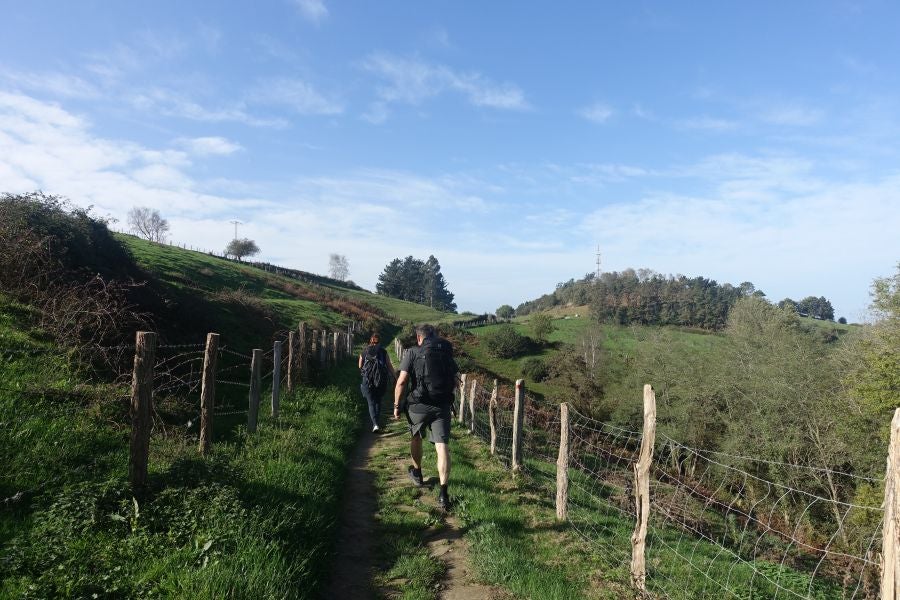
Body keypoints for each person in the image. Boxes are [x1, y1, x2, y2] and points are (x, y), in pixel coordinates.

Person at [393, 324, 458, 509]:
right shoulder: (445, 353)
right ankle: (444, 494)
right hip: (442, 405)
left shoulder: (412, 352)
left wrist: (397, 406)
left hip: (418, 406)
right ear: (434, 336)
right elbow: (455, 381)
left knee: (416, 437)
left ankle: (417, 473)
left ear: (419, 338)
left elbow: (402, 382)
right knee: (442, 446)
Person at [359, 333, 395, 433]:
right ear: (379, 341)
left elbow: (360, 366)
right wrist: (394, 376)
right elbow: (389, 365)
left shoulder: (364, 351)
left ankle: (375, 424)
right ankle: (377, 423)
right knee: (378, 401)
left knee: (371, 403)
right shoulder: (383, 351)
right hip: (380, 380)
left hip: (367, 380)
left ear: (370, 341)